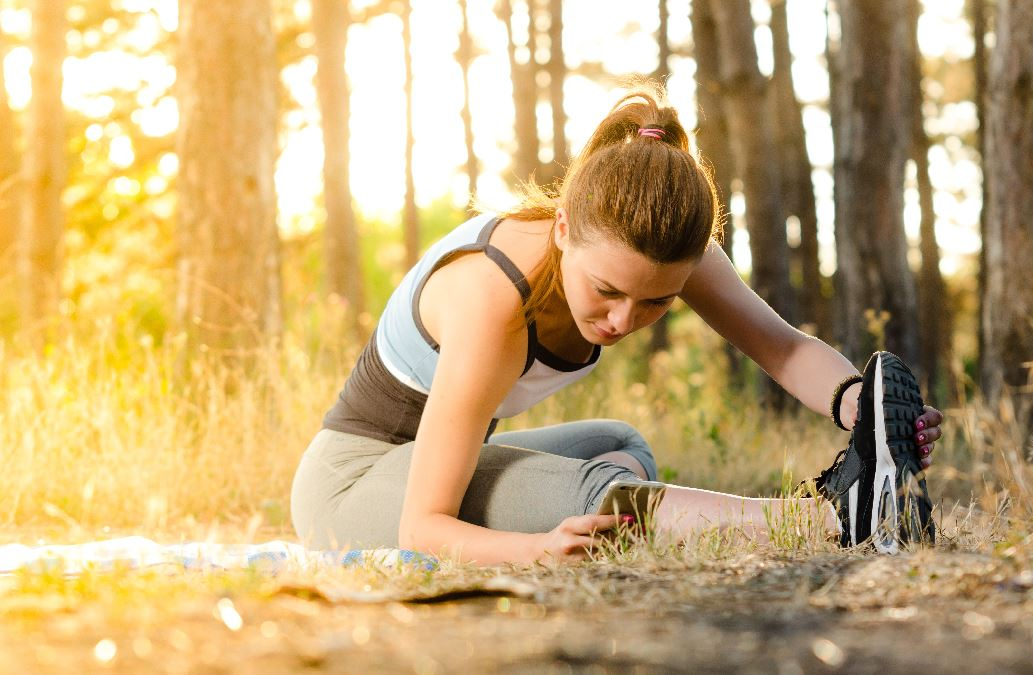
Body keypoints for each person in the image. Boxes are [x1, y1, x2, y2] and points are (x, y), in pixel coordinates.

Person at [289, 89, 944, 564]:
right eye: (606, 291)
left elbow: (784, 347)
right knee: (600, 496)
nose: (624, 319)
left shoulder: (662, 246)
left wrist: (863, 409)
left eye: (656, 303)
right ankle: (832, 519)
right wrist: (533, 547)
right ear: (564, 229)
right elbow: (421, 526)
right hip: (350, 488)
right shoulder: (493, 297)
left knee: (621, 444)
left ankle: (860, 497)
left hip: (433, 467)